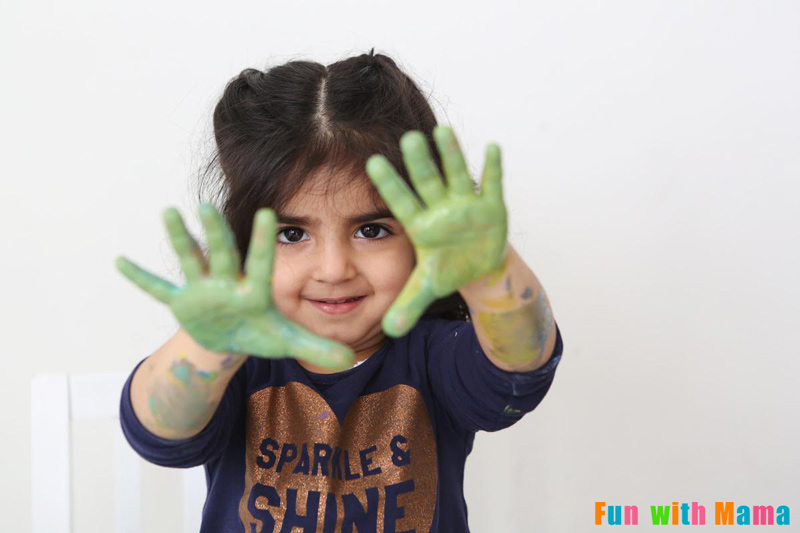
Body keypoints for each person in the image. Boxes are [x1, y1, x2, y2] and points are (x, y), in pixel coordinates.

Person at [115, 49, 564, 533]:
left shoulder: (437, 357)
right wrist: (208, 348)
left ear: (420, 238)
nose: (333, 268)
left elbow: (523, 359)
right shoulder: (237, 366)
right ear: (246, 243)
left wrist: (490, 273)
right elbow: (160, 431)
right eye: (292, 234)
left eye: (371, 230)